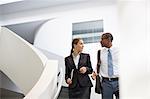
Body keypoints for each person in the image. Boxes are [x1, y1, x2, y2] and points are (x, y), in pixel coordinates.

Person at [93, 33, 119, 99]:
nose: (100, 41)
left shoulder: (119, 51)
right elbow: (98, 64)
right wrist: (95, 72)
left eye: (102, 39)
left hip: (119, 81)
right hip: (106, 83)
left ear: (108, 40)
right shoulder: (100, 52)